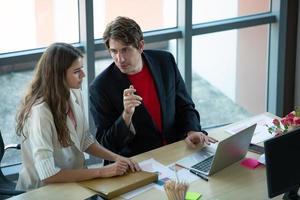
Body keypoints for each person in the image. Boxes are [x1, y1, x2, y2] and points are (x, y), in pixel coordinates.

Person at [15, 42, 140, 191]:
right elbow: (48, 175)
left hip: (76, 183)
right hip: (43, 191)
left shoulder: (73, 92)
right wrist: (102, 171)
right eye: (76, 71)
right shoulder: (40, 112)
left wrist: (116, 157)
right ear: (58, 76)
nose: (83, 75)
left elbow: (84, 140)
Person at [89, 16, 217, 160]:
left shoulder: (165, 61)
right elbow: (106, 145)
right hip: (138, 162)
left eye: (125, 50)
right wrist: (126, 116)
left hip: (178, 150)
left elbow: (184, 105)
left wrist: (191, 130)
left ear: (141, 46)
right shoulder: (100, 87)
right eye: (114, 51)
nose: (120, 59)